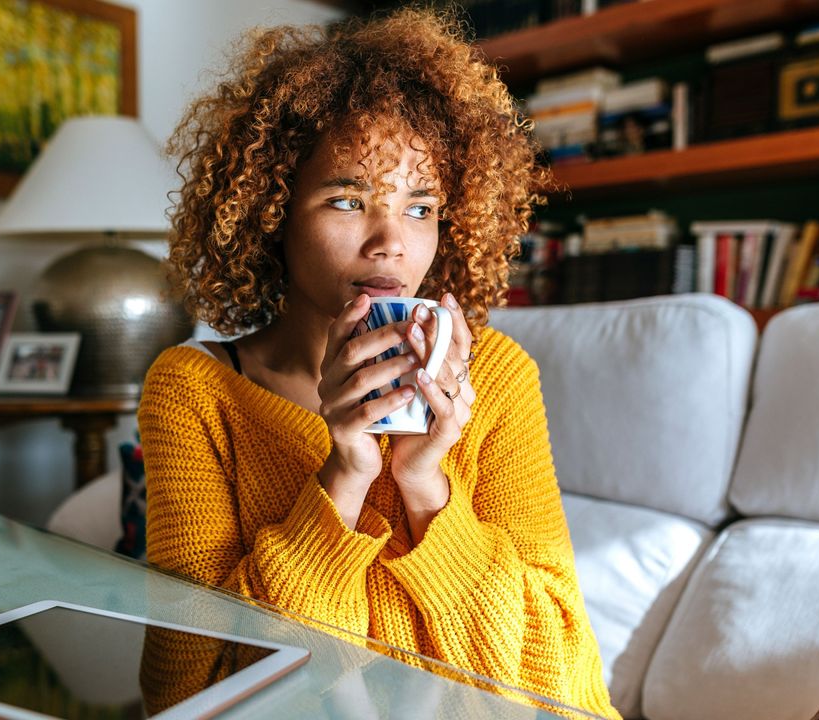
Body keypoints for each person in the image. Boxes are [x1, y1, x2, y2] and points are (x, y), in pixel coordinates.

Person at [138, 8, 619, 718]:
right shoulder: (197, 392)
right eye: (348, 200)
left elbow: (555, 678)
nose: (392, 242)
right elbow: (187, 690)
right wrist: (345, 476)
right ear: (272, 211)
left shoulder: (500, 377)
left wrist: (424, 483)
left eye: (421, 207)